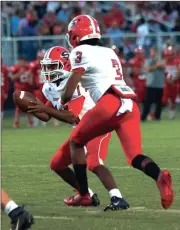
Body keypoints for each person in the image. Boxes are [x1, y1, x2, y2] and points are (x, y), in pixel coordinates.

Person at [61, 15, 174, 210]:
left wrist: (62, 98)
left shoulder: (79, 51)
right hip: (129, 104)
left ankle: (84, 195)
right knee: (135, 157)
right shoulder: (109, 52)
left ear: (76, 35)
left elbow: (69, 91)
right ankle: (159, 176)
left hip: (109, 103)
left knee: (75, 142)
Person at [28, 46, 129, 209]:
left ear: (66, 66)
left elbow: (71, 117)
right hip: (81, 131)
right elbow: (47, 116)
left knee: (94, 163)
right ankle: (86, 194)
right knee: (57, 164)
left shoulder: (75, 84)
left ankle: (117, 198)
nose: (48, 70)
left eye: (53, 66)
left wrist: (45, 108)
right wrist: (31, 108)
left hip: (97, 125)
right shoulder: (49, 87)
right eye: (47, 66)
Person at [141, 47, 165, 121]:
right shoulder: (148, 60)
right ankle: (144, 116)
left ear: (156, 53)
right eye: (151, 52)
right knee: (148, 101)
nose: (152, 53)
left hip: (159, 84)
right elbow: (147, 68)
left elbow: (162, 66)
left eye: (153, 52)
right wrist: (156, 66)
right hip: (150, 84)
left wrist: (155, 66)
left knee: (158, 102)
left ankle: (157, 117)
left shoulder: (161, 60)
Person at [10, 56, 34, 128]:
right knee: (19, 107)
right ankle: (16, 123)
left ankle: (30, 123)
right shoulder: (16, 68)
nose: (22, 63)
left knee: (29, 106)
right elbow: (12, 78)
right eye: (20, 61)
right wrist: (20, 73)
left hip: (27, 90)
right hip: (19, 90)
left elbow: (31, 81)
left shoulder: (29, 68)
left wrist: (29, 75)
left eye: (23, 61)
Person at [162, 46, 179, 119]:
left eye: (171, 54)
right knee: (164, 99)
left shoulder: (177, 61)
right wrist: (167, 80)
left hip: (175, 82)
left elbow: (179, 72)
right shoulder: (164, 62)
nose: (170, 56)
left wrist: (174, 79)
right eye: (168, 55)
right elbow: (162, 73)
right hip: (166, 83)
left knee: (173, 99)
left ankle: (171, 114)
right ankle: (160, 111)